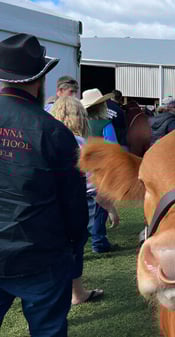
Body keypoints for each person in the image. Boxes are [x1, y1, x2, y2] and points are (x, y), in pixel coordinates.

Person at [0, 33, 88, 336]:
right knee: (47, 331)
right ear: (39, 80)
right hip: (41, 252)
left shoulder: (54, 131)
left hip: (32, 249)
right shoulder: (53, 131)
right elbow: (74, 201)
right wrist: (76, 242)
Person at [50, 96, 105, 304]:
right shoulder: (82, 144)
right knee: (75, 248)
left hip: (49, 205)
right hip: (78, 204)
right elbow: (93, 183)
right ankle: (76, 293)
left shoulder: (46, 138)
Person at [81, 88, 119, 252]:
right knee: (100, 207)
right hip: (99, 171)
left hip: (81, 168)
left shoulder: (79, 124)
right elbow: (113, 149)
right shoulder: (105, 124)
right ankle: (99, 241)